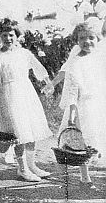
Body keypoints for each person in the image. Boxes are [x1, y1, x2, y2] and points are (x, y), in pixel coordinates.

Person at [0, 18, 53, 182]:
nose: (8, 39)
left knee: (31, 130)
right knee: (19, 133)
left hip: (26, 93)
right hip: (9, 96)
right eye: (4, 35)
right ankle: (22, 169)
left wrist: (47, 83)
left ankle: (32, 165)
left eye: (11, 35)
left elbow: (38, 68)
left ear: (16, 36)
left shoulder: (24, 53)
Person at [58, 22, 106, 187]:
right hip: (83, 106)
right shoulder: (75, 63)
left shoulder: (100, 58)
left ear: (97, 39)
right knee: (83, 142)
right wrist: (72, 113)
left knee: (101, 139)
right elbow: (73, 90)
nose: (87, 42)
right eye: (82, 38)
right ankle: (85, 178)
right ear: (76, 41)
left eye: (91, 38)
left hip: (101, 103)